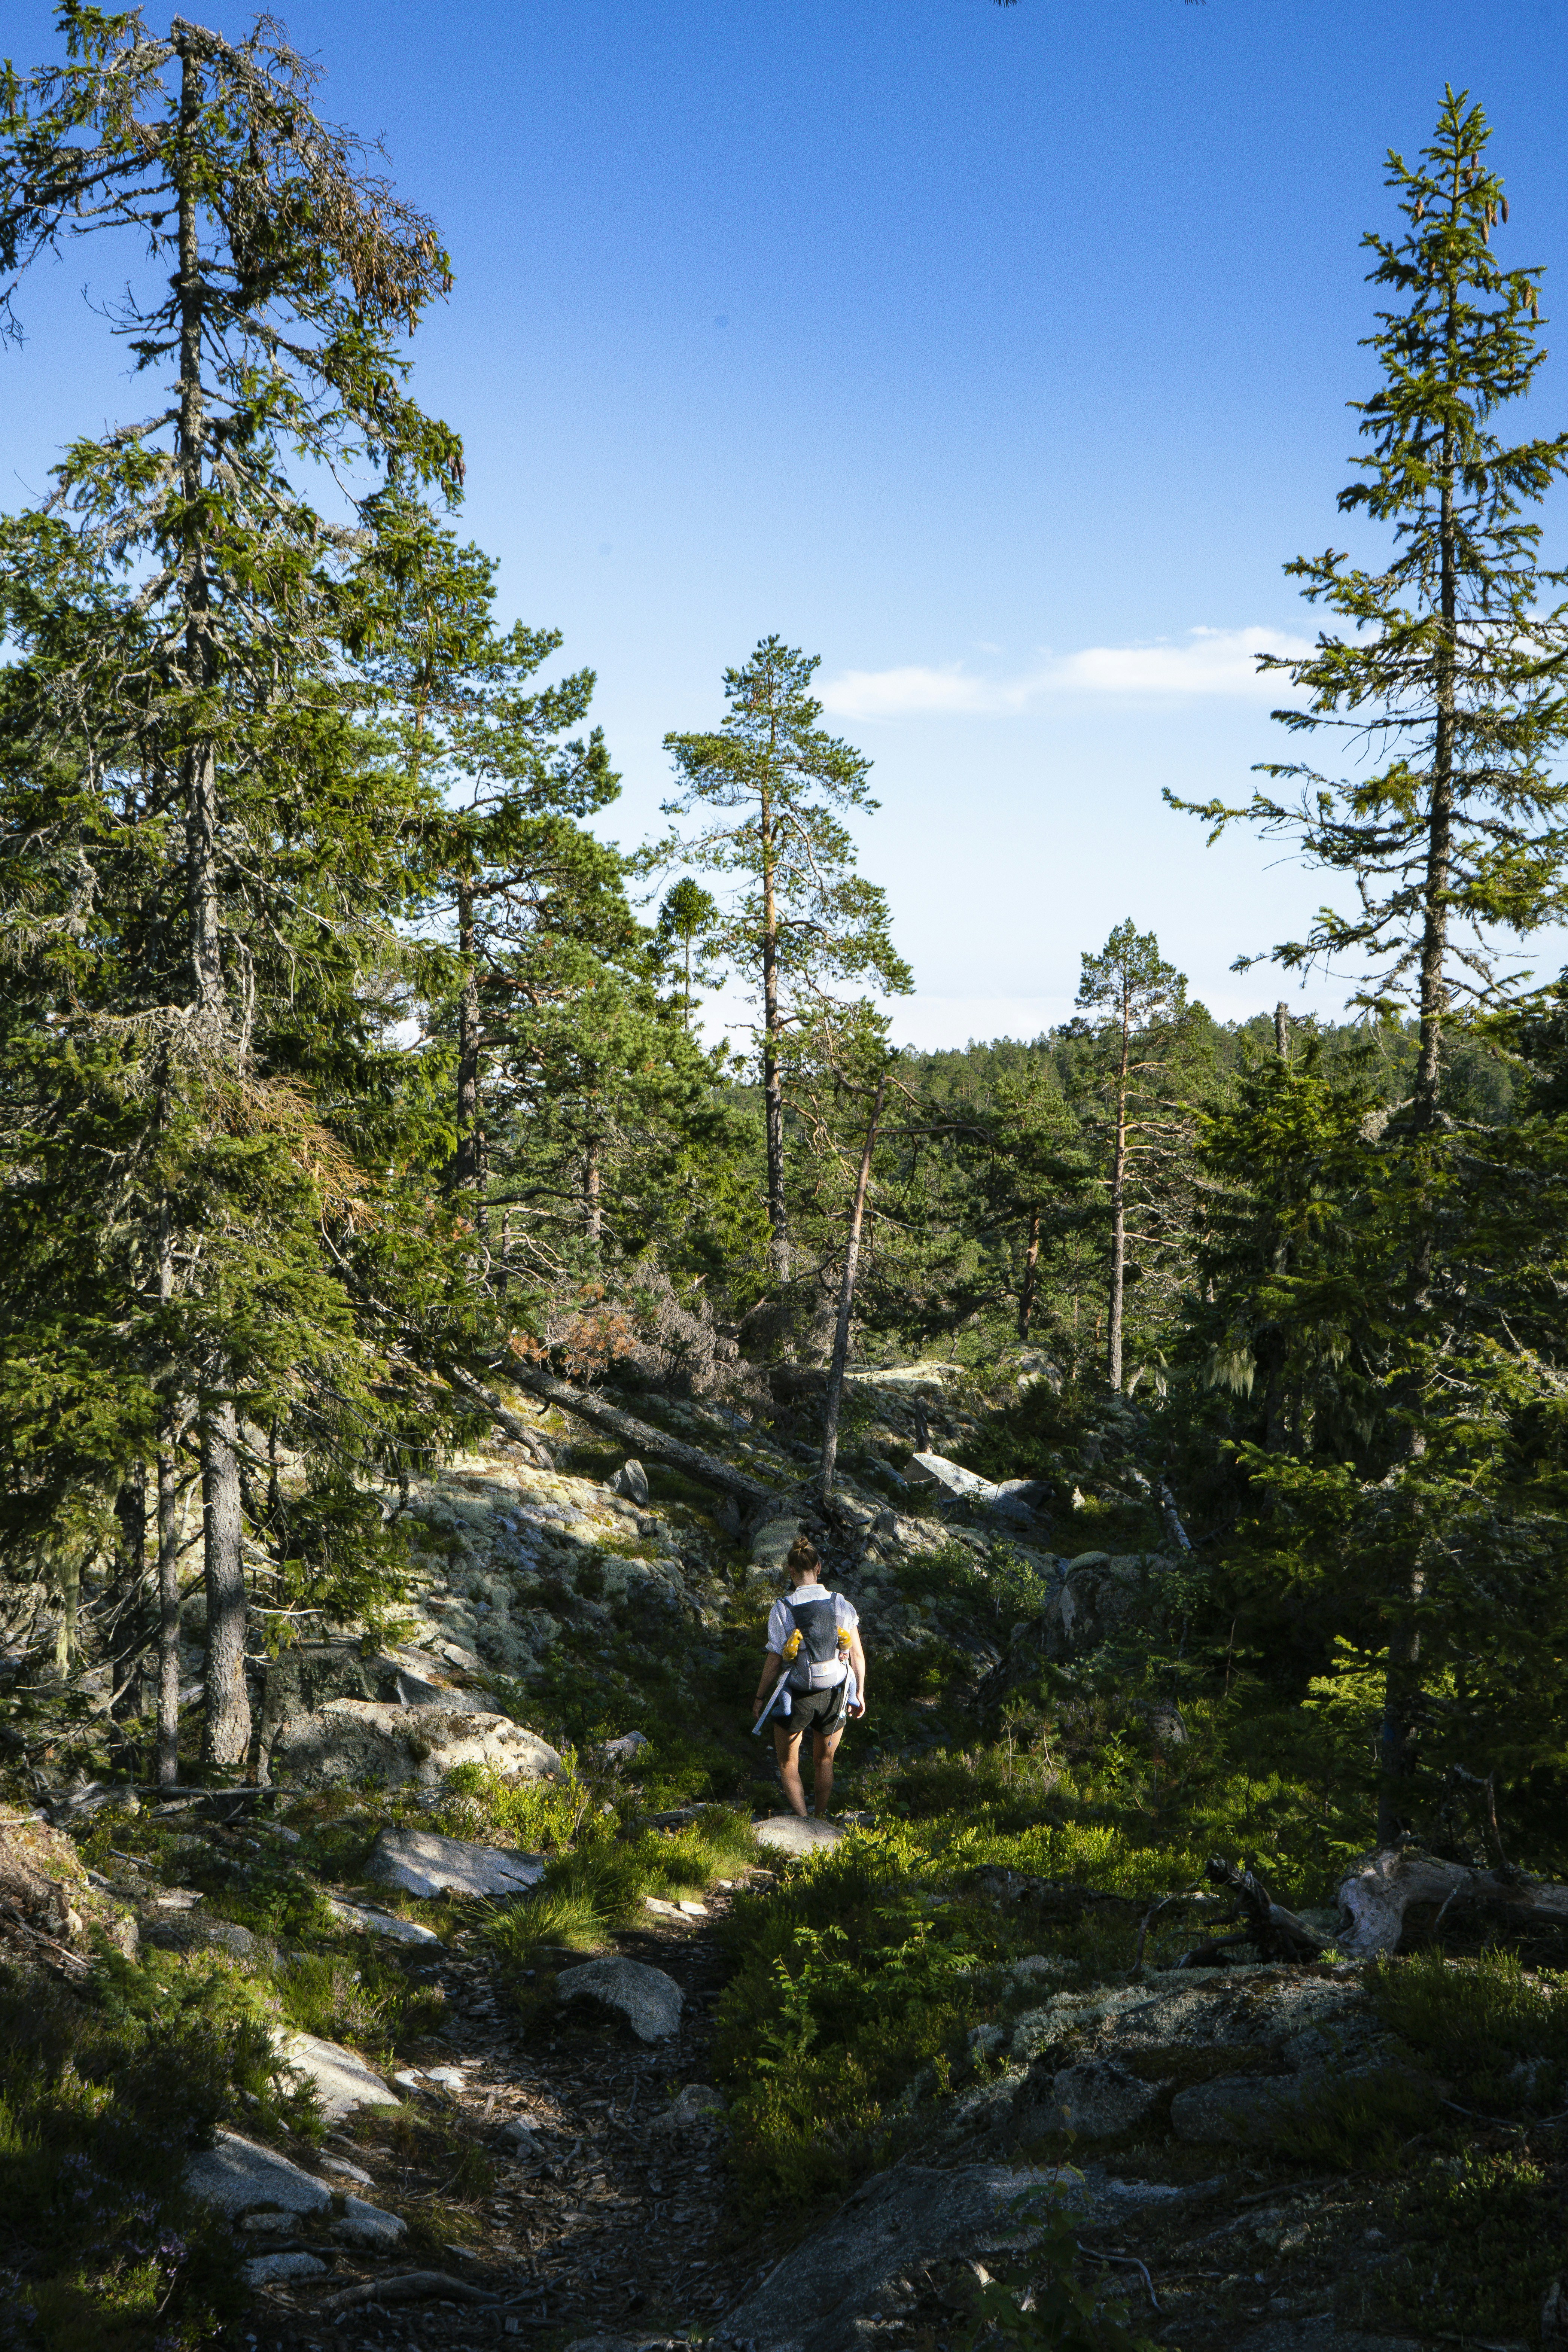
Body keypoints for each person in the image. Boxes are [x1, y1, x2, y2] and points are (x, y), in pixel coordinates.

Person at [752, 1535, 867, 1819]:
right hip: (835, 1695)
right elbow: (858, 1656)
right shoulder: (841, 1604)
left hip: (798, 1695)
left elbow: (775, 1659)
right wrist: (859, 1693)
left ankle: (803, 1822)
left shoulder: (782, 1608)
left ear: (790, 1572)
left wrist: (759, 1697)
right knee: (824, 1761)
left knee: (787, 1763)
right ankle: (821, 1818)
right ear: (819, 1567)